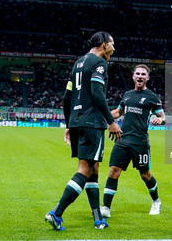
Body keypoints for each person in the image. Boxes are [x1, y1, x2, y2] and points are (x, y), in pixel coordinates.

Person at [45, 31, 122, 231]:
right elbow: (97, 93)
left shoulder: (77, 64)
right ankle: (56, 213)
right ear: (104, 45)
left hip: (77, 121)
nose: (114, 48)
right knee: (85, 169)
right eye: (112, 44)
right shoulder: (100, 63)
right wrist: (111, 121)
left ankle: (98, 218)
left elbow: (66, 97)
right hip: (91, 122)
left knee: (93, 169)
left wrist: (69, 125)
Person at [100, 64, 166, 218]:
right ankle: (106, 208)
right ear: (133, 76)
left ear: (147, 78)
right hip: (122, 138)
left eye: (143, 74)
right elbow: (118, 112)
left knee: (145, 174)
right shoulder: (127, 95)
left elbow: (163, 117)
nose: (140, 76)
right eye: (137, 74)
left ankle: (156, 201)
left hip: (140, 141)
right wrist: (103, 115)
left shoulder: (152, 97)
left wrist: (159, 119)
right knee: (113, 171)